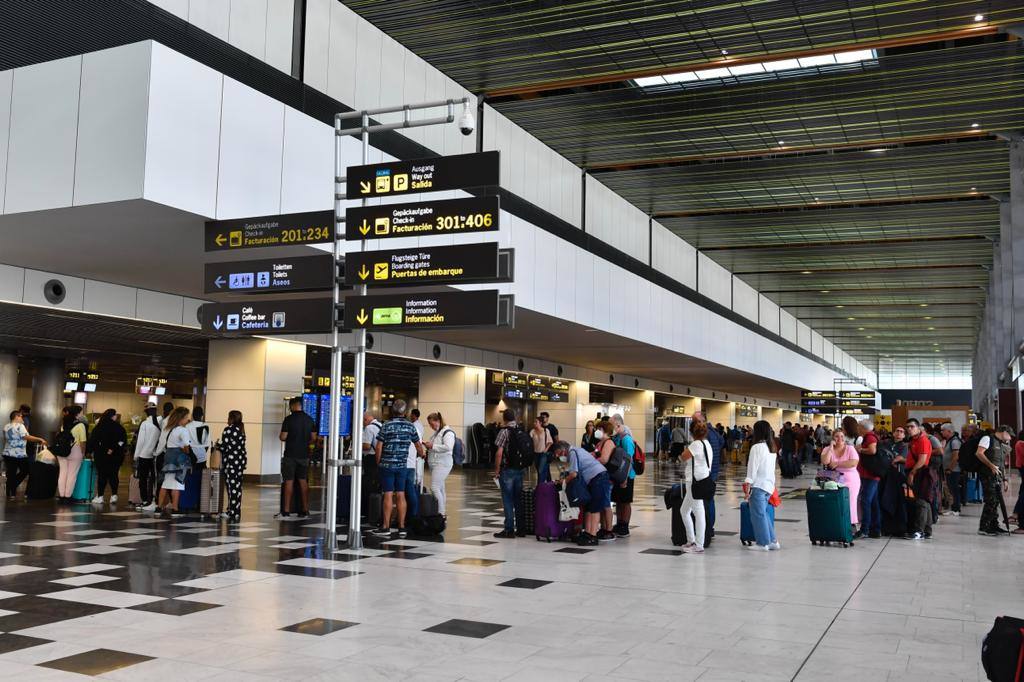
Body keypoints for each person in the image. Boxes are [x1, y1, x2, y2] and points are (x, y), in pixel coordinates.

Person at [373, 399, 422, 539]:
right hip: (402, 466)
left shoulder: (386, 425)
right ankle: (401, 527)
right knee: (401, 494)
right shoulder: (410, 427)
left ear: (392, 411)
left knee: (388, 494)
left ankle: (386, 527)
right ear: (405, 412)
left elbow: (378, 446)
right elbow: (418, 445)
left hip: (387, 465)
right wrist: (422, 454)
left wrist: (379, 462)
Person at [557, 440, 611, 547]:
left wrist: (563, 482)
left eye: (558, 453)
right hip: (595, 478)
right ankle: (588, 533)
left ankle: (593, 536)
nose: (557, 456)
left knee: (594, 508)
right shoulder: (576, 450)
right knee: (590, 507)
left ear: (563, 450)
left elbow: (574, 474)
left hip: (598, 477)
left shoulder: (572, 452)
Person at [492, 408, 530, 539]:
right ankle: (521, 529)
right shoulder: (521, 430)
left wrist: (497, 471)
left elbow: (499, 453)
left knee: (507, 500)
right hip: (520, 469)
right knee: (518, 499)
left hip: (507, 470)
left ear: (504, 419)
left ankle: (509, 529)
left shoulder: (504, 432)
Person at [743, 420, 779, 551]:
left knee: (758, 515)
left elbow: (752, 469)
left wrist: (748, 487)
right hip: (769, 485)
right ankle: (773, 540)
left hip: (758, 485)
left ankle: (762, 543)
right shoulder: (772, 447)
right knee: (764, 514)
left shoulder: (757, 447)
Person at [278, 397, 316, 519]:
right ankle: (304, 510)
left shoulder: (288, 419)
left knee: (289, 481)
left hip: (290, 455)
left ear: (293, 406)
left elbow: (283, 437)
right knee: (303, 481)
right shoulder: (310, 419)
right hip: (304, 455)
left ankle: (286, 511)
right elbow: (314, 437)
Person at [680, 420, 712, 553]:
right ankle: (691, 540)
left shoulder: (696, 444)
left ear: (692, 433)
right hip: (703, 479)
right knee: (684, 510)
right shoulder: (706, 443)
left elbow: (683, 457)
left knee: (699, 512)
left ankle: (699, 544)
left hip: (694, 482)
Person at [821, 428, 861, 534]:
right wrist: (830, 447)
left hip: (850, 478)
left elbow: (853, 463)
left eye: (842, 436)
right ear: (833, 438)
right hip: (834, 478)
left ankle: (851, 525)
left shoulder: (850, 448)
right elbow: (825, 461)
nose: (840, 439)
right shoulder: (827, 449)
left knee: (850, 502)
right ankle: (836, 524)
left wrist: (837, 464)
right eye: (837, 436)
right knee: (835, 502)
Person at [976, 425, 1014, 536]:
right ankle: (984, 527)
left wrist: (1005, 479)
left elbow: (1001, 464)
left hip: (996, 476)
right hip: (987, 475)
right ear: (1004, 432)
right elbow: (979, 453)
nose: (1010, 438)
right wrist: (991, 466)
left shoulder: (1002, 444)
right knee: (991, 500)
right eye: (1009, 435)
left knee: (996, 501)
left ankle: (993, 525)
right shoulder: (988, 439)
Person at [691, 410, 723, 543]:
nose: (694, 424)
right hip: (713, 469)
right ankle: (710, 528)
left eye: (696, 421)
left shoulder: (705, 434)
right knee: (710, 500)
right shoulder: (714, 431)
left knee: (704, 502)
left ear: (702, 420)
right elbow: (722, 443)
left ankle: (707, 529)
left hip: (707, 472)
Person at [156, 407, 191, 518]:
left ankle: (159, 507)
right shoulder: (183, 430)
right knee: (177, 484)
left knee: (165, 484)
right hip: (178, 460)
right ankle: (175, 509)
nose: (188, 420)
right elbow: (186, 446)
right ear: (182, 418)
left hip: (168, 459)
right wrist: (187, 452)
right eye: (186, 417)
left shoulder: (171, 429)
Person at [3, 410, 46, 500]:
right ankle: (13, 486)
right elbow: (26, 437)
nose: (22, 418)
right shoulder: (20, 426)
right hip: (19, 455)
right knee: (26, 470)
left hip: (7, 453)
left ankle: (10, 493)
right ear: (16, 417)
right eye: (21, 416)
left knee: (11, 473)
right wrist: (40, 439)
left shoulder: (6, 426)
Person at [903, 418, 934, 540]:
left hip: (920, 472)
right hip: (916, 471)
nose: (909, 429)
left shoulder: (923, 441)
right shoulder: (914, 440)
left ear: (918, 427)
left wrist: (912, 473)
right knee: (924, 501)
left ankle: (919, 531)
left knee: (921, 501)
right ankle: (927, 531)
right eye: (908, 427)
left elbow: (922, 460)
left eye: (912, 427)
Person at [88, 409, 127, 504]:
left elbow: (93, 441)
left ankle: (100, 496)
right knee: (114, 475)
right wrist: (113, 449)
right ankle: (114, 495)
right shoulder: (119, 427)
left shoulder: (99, 427)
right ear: (113, 416)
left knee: (102, 475)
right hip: (115, 456)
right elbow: (122, 441)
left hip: (101, 455)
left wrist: (90, 451)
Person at [855, 419, 882, 539]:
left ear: (863, 427)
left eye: (859, 427)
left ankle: (865, 529)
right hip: (869, 475)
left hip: (870, 475)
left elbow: (872, 450)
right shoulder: (869, 436)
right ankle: (875, 529)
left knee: (865, 501)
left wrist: (860, 450)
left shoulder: (870, 437)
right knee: (873, 502)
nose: (857, 429)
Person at [609, 414, 636, 537]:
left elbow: (629, 460)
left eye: (611, 425)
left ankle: (625, 526)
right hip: (618, 475)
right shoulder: (617, 438)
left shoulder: (627, 439)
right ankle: (619, 523)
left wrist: (625, 478)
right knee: (618, 501)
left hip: (627, 476)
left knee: (625, 502)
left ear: (618, 425)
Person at [424, 412, 455, 516]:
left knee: (434, 487)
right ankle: (441, 512)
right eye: (429, 424)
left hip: (442, 463)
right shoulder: (437, 432)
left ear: (438, 421)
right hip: (436, 463)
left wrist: (432, 446)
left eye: (432, 424)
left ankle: (440, 513)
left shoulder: (448, 432)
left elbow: (448, 447)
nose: (431, 426)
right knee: (440, 488)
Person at [56, 407, 88, 502]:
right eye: (82, 413)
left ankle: (61, 496)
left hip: (62, 451)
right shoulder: (80, 425)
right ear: (77, 414)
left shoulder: (64, 424)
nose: (83, 414)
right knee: (72, 474)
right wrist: (83, 453)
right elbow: (83, 442)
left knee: (62, 473)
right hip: (75, 450)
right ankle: (68, 496)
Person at [219, 410, 247, 522]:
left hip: (230, 463)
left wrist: (217, 446)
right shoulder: (241, 430)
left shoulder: (228, 430)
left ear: (231, 418)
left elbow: (225, 447)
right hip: (239, 462)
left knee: (231, 487)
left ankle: (231, 511)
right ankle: (236, 511)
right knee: (238, 487)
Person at [133, 404, 162, 511]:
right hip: (156, 455)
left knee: (143, 479)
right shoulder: (161, 422)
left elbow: (140, 441)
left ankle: (145, 500)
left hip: (144, 455)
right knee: (155, 479)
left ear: (146, 412)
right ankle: (155, 500)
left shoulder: (145, 424)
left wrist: (136, 456)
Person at [404, 408, 425, 519]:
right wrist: (421, 455)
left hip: (403, 463)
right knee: (410, 489)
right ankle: (413, 515)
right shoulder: (417, 427)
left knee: (400, 491)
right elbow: (419, 446)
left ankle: (405, 517)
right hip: (412, 463)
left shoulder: (411, 428)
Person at [940, 423, 962, 517]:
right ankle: (953, 507)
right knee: (951, 489)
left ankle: (956, 509)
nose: (941, 432)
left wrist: (950, 468)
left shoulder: (955, 441)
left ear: (949, 431)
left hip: (954, 470)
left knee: (954, 489)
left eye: (943, 430)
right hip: (950, 470)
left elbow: (955, 456)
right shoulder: (949, 441)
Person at [187, 406, 211, 473]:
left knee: (191, 478)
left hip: (191, 457)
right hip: (202, 457)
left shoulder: (187, 426)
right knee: (201, 480)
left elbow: (186, 443)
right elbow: (207, 444)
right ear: (202, 415)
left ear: (192, 415)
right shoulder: (206, 426)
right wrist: (202, 452)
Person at [530, 416, 553, 484]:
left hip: (543, 454)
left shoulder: (546, 431)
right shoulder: (532, 431)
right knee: (540, 471)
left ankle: (539, 487)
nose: (534, 423)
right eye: (534, 422)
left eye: (536, 422)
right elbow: (529, 441)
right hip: (535, 454)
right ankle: (549, 484)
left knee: (540, 471)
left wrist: (545, 450)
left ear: (540, 423)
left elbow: (550, 442)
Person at [1011, 432, 1024, 534]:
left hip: (1021, 467)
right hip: (1022, 467)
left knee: (1022, 493)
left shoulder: (1019, 443)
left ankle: (1016, 514)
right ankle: (1017, 516)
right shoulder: (1020, 444)